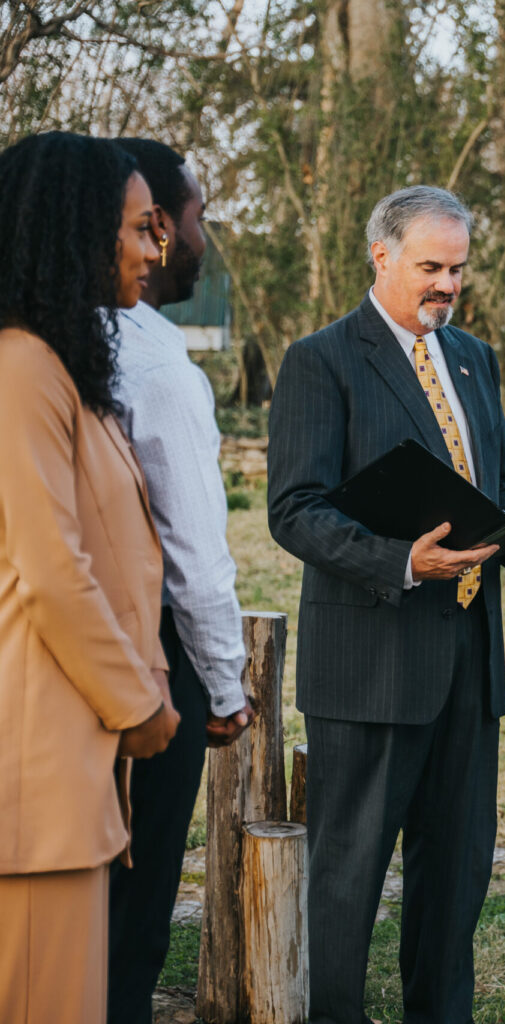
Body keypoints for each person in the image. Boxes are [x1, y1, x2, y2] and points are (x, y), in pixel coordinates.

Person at [267, 185, 505, 1024]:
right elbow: (294, 511)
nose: (447, 285)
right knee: (350, 875)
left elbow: (493, 481)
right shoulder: (321, 360)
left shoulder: (473, 357)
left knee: (458, 871)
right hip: (369, 662)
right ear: (381, 257)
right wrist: (401, 560)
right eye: (431, 267)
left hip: (468, 661)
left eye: (458, 269)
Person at [0, 130, 182, 1024]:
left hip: (74, 774)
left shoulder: (62, 366)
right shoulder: (21, 368)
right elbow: (50, 571)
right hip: (34, 786)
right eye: (141, 228)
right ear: (77, 230)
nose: (157, 249)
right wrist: (140, 706)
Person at [105, 136, 255, 1024]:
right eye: (198, 219)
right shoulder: (159, 362)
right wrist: (227, 688)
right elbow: (194, 553)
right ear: (158, 228)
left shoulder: (53, 333)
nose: (202, 241)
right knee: (137, 900)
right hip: (152, 659)